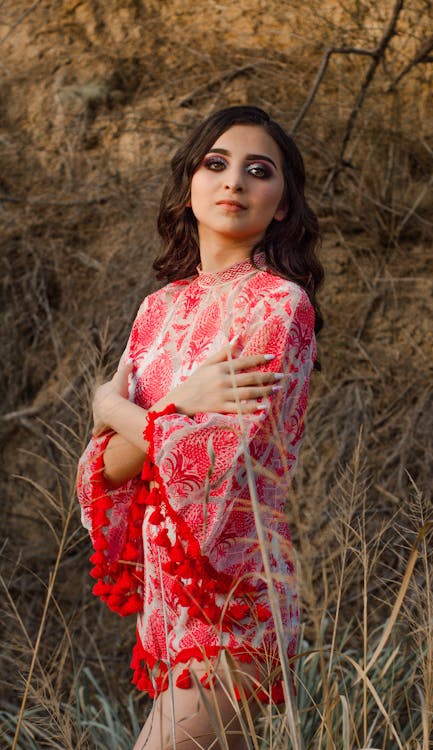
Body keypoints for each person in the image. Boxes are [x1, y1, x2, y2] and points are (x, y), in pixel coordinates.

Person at [77, 105, 324, 750]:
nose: (234, 181)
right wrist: (170, 414)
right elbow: (100, 470)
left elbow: (213, 458)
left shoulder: (279, 307)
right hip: (168, 600)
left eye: (258, 171)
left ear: (282, 206)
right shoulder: (155, 312)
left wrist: (115, 410)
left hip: (235, 594)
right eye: (216, 164)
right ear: (189, 188)